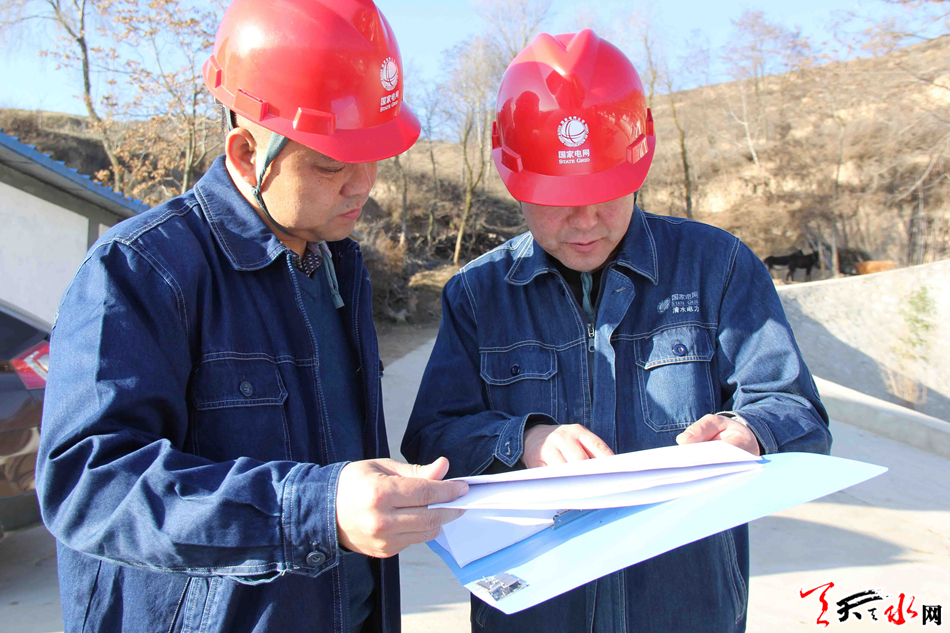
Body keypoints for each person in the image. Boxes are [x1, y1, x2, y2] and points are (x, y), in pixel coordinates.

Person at [35, 1, 467, 631]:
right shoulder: (143, 270)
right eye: (332, 164)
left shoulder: (338, 267)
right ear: (245, 153)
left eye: (375, 155)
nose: (363, 185)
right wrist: (315, 509)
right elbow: (88, 485)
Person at [402, 29, 832, 633]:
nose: (585, 222)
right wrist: (524, 441)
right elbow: (432, 439)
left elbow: (798, 411)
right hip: (535, 617)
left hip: (687, 613)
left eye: (606, 193)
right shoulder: (479, 293)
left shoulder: (718, 267)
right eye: (558, 200)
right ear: (514, 181)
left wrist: (748, 433)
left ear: (638, 167)